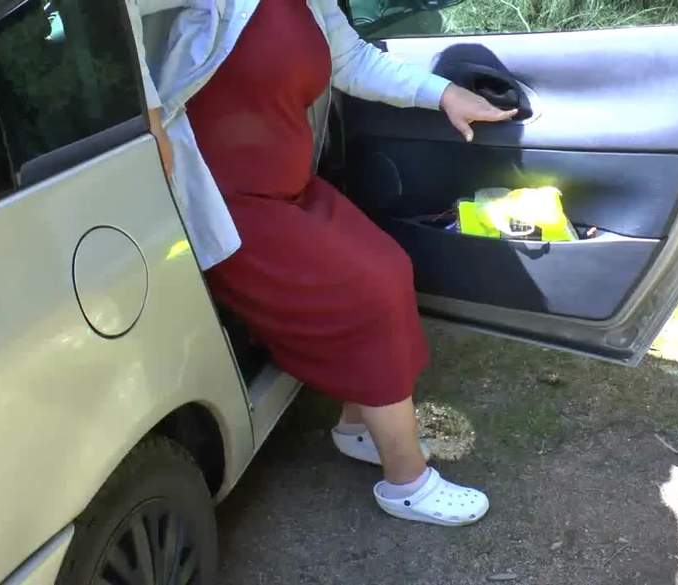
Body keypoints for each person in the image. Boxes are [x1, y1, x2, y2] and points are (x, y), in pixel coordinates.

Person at [128, 0, 516, 525]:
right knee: (368, 292)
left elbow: (350, 60)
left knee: (390, 265)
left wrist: (444, 93)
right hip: (227, 202)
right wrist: (150, 119)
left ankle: (358, 428)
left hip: (290, 189)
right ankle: (406, 483)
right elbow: (119, 21)